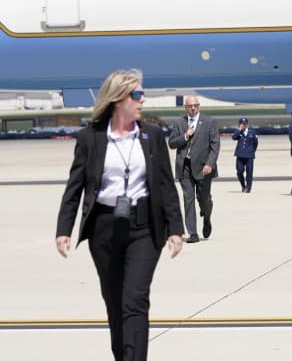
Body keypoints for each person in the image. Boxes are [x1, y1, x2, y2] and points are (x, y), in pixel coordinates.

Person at [55, 69, 184, 361]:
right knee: (114, 303)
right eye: (137, 95)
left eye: (142, 94)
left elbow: (165, 184)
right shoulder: (91, 138)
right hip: (104, 228)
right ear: (118, 99)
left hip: (145, 228)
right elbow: (75, 186)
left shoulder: (152, 136)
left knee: (135, 301)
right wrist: (64, 228)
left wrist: (175, 228)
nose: (143, 100)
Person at [168, 95, 220, 243]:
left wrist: (210, 163)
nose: (193, 108)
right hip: (184, 168)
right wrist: (185, 136)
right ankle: (192, 233)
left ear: (199, 106)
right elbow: (171, 143)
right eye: (190, 106)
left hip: (204, 167)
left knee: (204, 199)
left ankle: (207, 216)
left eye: (195, 105)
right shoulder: (179, 123)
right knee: (188, 199)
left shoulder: (209, 122)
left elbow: (215, 146)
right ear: (185, 107)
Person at [232, 117, 258, 193]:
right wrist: (239, 130)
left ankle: (248, 187)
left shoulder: (252, 132)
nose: (243, 125)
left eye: (244, 124)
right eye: (241, 124)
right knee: (239, 171)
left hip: (249, 155)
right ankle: (243, 185)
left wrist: (252, 151)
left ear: (247, 124)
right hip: (240, 155)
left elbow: (255, 143)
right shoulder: (238, 132)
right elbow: (234, 137)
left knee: (249, 172)